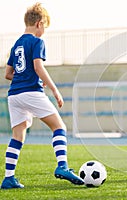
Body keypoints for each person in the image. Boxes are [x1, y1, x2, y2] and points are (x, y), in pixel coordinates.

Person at [1, 2, 84, 189]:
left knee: (18, 136)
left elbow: (8, 74)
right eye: (44, 27)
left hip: (14, 95)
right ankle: (62, 166)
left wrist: (25, 76)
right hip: (31, 92)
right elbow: (38, 67)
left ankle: (8, 178)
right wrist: (55, 90)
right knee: (59, 126)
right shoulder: (37, 42)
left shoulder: (16, 45)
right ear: (39, 23)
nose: (44, 31)